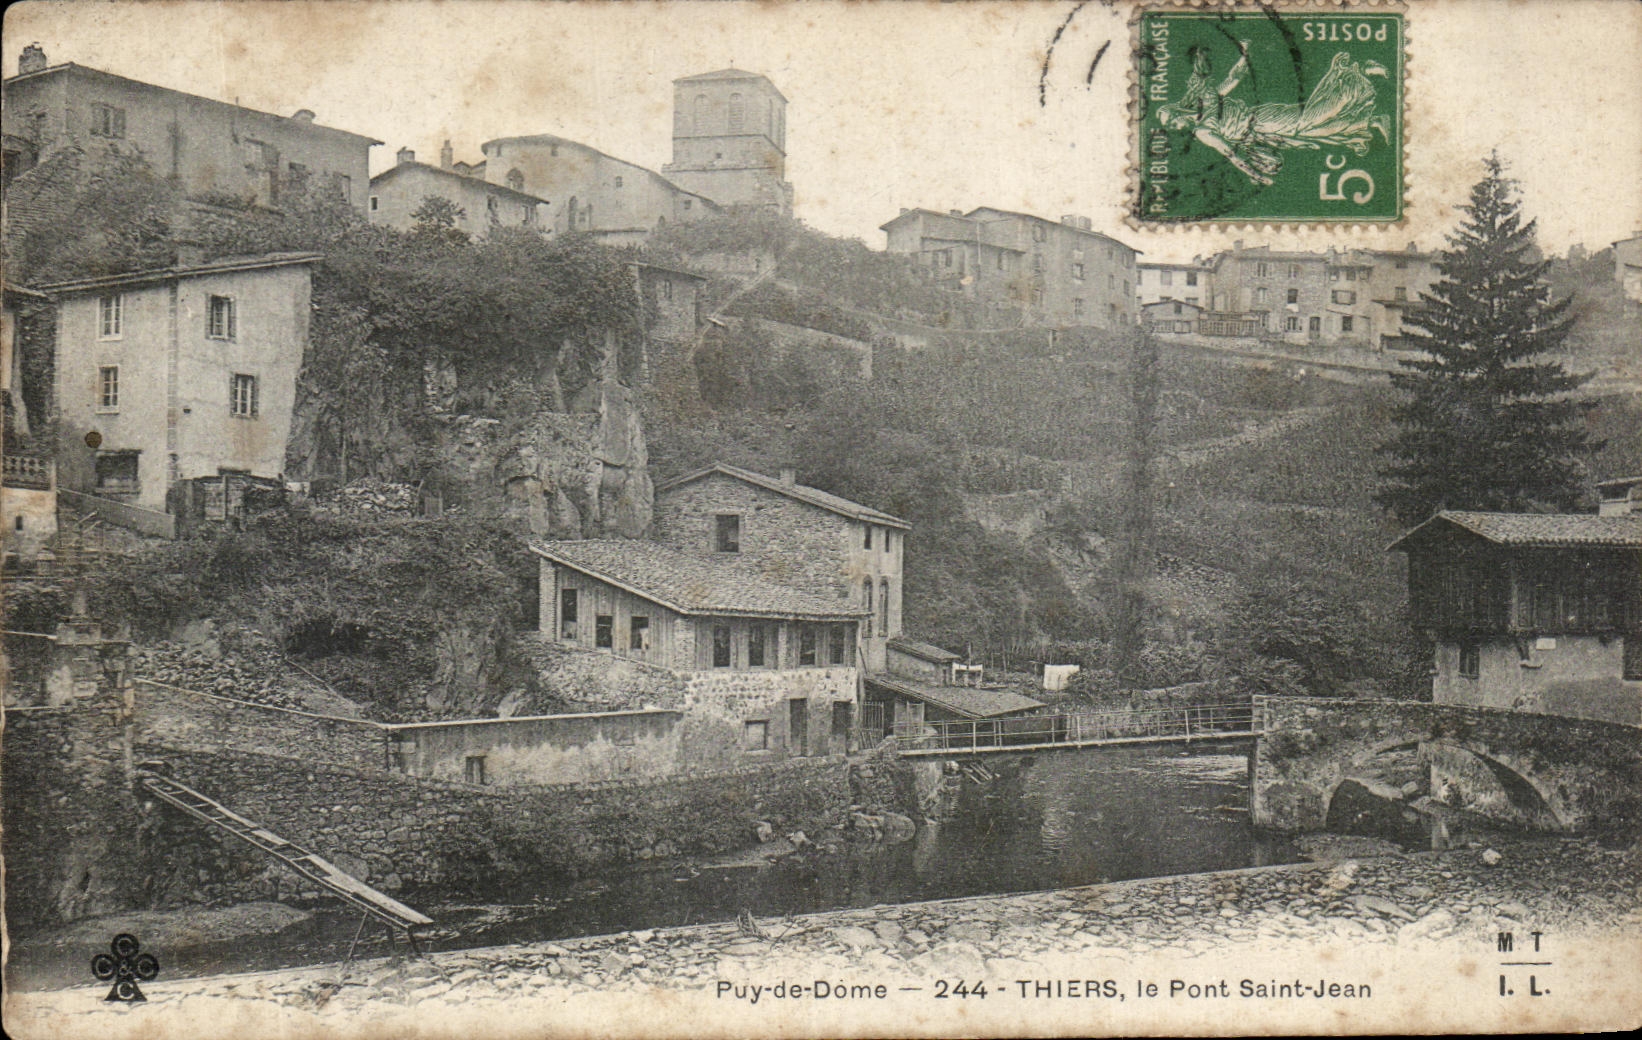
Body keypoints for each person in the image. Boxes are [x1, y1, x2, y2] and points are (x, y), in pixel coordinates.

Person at [1157, 43, 1391, 186]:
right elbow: (1232, 153)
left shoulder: (1204, 120)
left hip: (1261, 121)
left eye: (1172, 121)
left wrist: (1244, 56)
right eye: (1171, 127)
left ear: (1177, 111)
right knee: (1313, 131)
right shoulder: (1201, 129)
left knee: (1309, 120)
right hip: (1261, 134)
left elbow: (1233, 80)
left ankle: (1359, 71)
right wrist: (1257, 173)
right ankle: (1370, 122)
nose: (1175, 127)